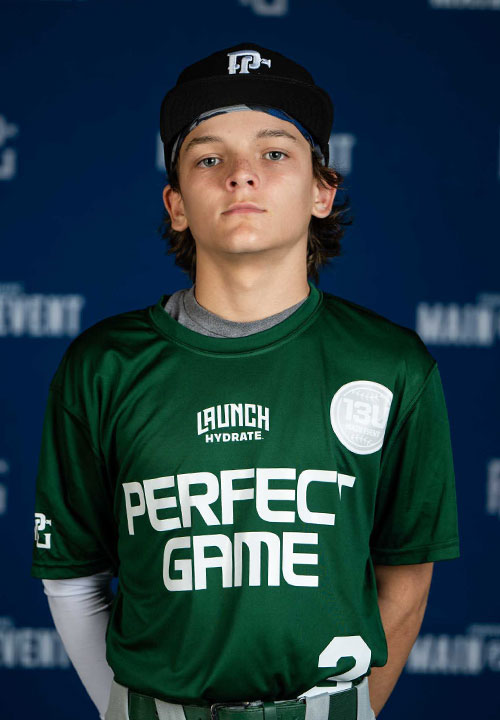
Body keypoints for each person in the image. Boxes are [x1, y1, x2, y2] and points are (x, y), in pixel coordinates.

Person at [31, 42, 460, 720]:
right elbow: (74, 578)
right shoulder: (103, 365)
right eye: (209, 159)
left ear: (322, 191)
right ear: (176, 204)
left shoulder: (391, 364)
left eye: (275, 153)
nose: (241, 177)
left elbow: (405, 579)